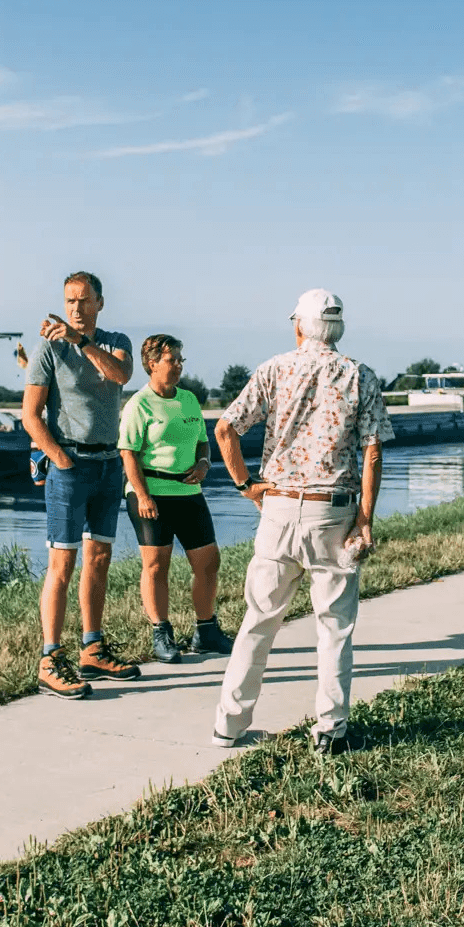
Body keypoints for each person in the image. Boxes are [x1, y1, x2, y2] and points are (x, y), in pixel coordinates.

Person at [212, 288, 392, 755]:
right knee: (334, 625)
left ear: (298, 326)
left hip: (278, 506)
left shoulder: (275, 369)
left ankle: (228, 725)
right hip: (332, 511)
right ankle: (330, 731)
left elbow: (226, 428)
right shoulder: (360, 375)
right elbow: (372, 452)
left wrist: (245, 485)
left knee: (259, 619)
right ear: (338, 328)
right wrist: (365, 519)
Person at [21, 271, 138, 699]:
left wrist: (81, 341)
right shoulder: (47, 349)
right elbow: (31, 415)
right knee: (62, 564)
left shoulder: (115, 341)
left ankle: (92, 648)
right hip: (70, 466)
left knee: (100, 558)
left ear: (100, 303)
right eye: (70, 301)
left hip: (109, 465)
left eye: (85, 300)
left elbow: (121, 375)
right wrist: (59, 459)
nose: (76, 308)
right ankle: (50, 659)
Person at [118, 335, 232, 664]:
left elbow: (202, 442)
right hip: (150, 493)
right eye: (172, 360)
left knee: (208, 562)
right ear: (152, 364)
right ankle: (161, 632)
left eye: (181, 359)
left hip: (189, 492)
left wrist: (204, 462)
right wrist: (142, 495)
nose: (179, 365)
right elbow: (128, 455)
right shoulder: (138, 404)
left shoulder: (190, 400)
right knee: (157, 566)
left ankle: (206, 631)